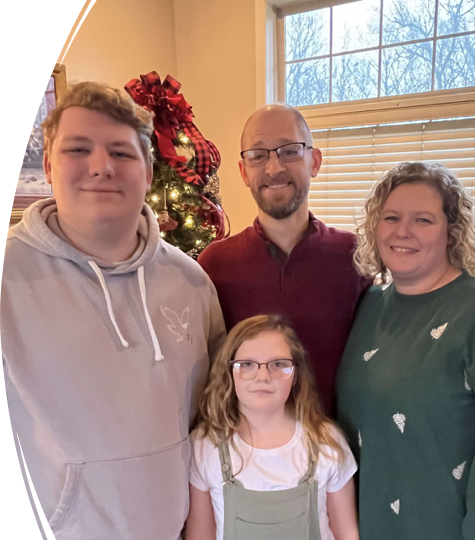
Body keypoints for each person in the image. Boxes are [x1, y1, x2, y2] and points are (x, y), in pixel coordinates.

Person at [0, 82, 226, 539]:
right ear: (48, 166)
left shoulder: (193, 283)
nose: (101, 167)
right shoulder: (9, 282)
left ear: (147, 172)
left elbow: (213, 416)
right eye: (78, 149)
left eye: (122, 153)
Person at [336, 161, 475, 540]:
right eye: (391, 217)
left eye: (423, 220)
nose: (402, 231)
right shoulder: (370, 305)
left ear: (452, 231)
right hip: (369, 526)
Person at [197, 104, 372, 415]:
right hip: (245, 455)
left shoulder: (355, 257)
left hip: (338, 455)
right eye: (258, 155)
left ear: (314, 161)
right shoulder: (214, 265)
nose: (274, 168)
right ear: (243, 172)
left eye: (289, 151)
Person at [185, 314, 359, 540]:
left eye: (278, 364)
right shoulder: (205, 445)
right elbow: (200, 535)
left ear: (296, 375)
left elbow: (346, 532)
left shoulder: (327, 442)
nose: (263, 376)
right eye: (247, 364)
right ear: (229, 373)